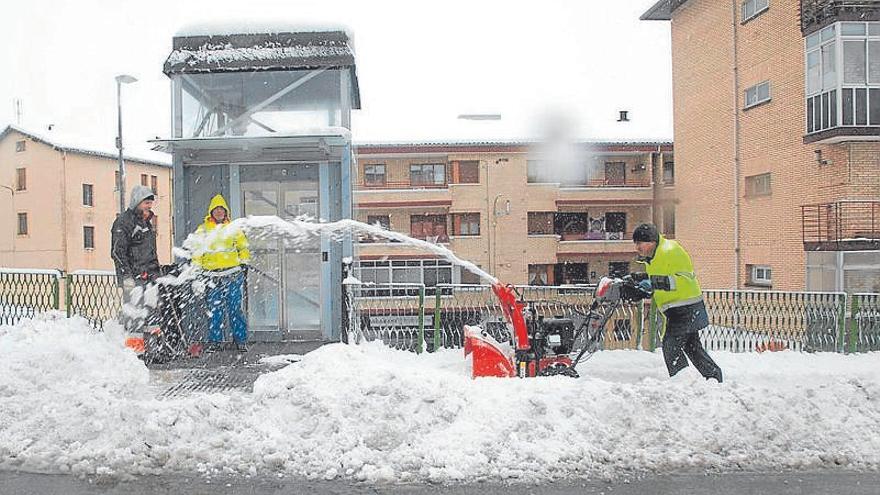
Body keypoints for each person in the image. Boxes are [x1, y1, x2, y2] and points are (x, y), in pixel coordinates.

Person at [627, 223, 723, 383]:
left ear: (651, 241)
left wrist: (653, 283)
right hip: (678, 310)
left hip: (685, 308)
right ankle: (714, 378)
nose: (637, 247)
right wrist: (641, 281)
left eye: (639, 243)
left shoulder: (670, 251)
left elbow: (682, 280)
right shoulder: (654, 257)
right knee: (692, 348)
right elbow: (660, 279)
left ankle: (683, 383)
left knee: (671, 347)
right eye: (635, 243)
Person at [191, 194, 250, 352]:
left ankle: (240, 340)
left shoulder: (233, 229)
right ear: (211, 212)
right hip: (212, 277)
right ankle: (215, 341)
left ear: (226, 212)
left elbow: (243, 247)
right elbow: (197, 252)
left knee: (234, 308)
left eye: (221, 210)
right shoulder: (202, 230)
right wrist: (196, 273)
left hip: (232, 275)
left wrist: (244, 263)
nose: (219, 212)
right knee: (214, 310)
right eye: (216, 210)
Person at [111, 185, 161, 337]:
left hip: (149, 276)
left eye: (150, 203)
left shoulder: (146, 223)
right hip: (133, 278)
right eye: (146, 203)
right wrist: (127, 276)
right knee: (135, 314)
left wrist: (155, 270)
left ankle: (154, 348)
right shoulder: (124, 222)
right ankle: (136, 351)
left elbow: (149, 250)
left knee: (152, 313)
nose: (149, 206)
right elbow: (118, 252)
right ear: (136, 202)